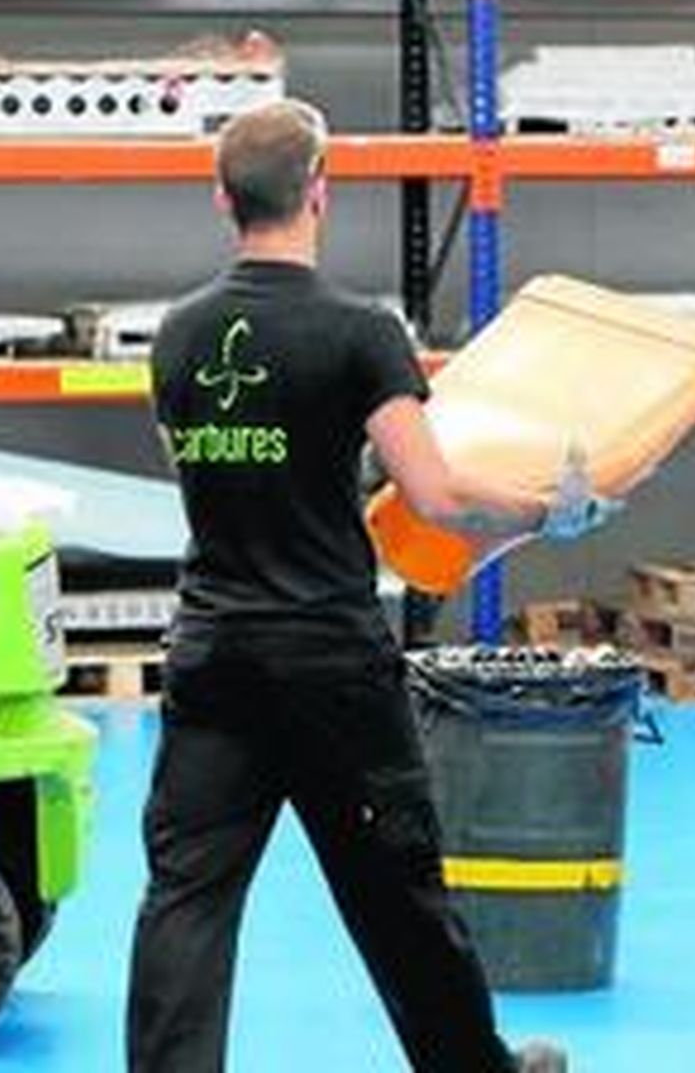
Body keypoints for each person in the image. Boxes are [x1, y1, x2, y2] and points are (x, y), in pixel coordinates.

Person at [125, 100, 616, 1073]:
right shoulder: (358, 331)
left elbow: (217, 474)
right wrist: (544, 510)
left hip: (213, 655)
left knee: (187, 894)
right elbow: (432, 493)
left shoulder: (177, 335)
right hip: (329, 666)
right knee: (395, 889)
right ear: (321, 192)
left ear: (222, 199)